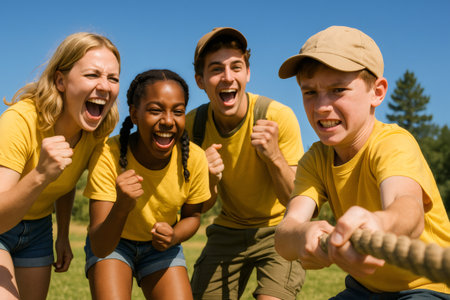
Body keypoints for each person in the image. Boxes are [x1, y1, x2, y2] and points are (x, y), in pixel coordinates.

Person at [275, 25, 450, 298]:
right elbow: (285, 230)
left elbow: (408, 209)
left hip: (427, 287)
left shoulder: (392, 143)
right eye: (309, 92)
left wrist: (379, 224)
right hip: (364, 290)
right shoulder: (315, 159)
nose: (321, 106)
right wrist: (303, 236)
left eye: (338, 90)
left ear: (377, 92)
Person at [186, 27, 305, 300]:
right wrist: (209, 180)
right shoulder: (194, 127)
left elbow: (295, 201)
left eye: (236, 67)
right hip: (228, 229)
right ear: (200, 80)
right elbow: (198, 208)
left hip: (279, 229)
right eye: (216, 69)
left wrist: (274, 156)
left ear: (248, 73)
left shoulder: (277, 116)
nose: (228, 77)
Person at [0, 32, 120, 300]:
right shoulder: (19, 121)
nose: (105, 86)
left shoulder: (94, 134)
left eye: (113, 78)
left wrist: (63, 234)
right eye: (93, 75)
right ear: (60, 80)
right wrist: (41, 174)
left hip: (38, 229)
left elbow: (66, 183)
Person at [84, 69, 210, 300]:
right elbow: (100, 245)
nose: (168, 121)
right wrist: (122, 205)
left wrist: (173, 236)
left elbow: (193, 216)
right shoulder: (107, 155)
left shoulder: (195, 158)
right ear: (134, 114)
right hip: (114, 242)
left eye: (178, 111)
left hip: (160, 248)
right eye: (155, 110)